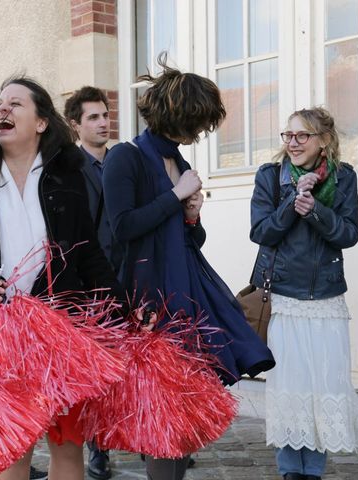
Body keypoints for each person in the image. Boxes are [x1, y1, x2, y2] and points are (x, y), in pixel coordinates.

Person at [0, 76, 133, 480]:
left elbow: (88, 253)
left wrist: (124, 316)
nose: (2, 109)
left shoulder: (66, 177)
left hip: (61, 329)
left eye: (15, 104)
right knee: (12, 451)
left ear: (42, 122)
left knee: (67, 448)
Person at [102, 54, 275, 480]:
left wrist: (192, 214)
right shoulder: (126, 157)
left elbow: (189, 240)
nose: (199, 133)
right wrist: (176, 196)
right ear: (173, 114)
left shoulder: (179, 164)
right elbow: (121, 228)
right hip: (150, 299)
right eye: (195, 123)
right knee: (165, 413)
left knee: (184, 409)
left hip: (188, 289)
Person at [250, 107, 358, 480]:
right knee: (289, 383)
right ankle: (289, 470)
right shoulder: (270, 175)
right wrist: (292, 203)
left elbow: (348, 233)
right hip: (282, 295)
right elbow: (261, 232)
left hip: (326, 297)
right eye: (288, 135)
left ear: (324, 141)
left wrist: (315, 210)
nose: (293, 143)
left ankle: (312, 469)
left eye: (302, 136)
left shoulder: (344, 178)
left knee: (322, 382)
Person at [64, 85, 115, 480]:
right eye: (93, 117)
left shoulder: (122, 161)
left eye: (105, 114)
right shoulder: (69, 167)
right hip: (89, 283)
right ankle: (98, 448)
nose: (103, 122)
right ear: (75, 125)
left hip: (127, 273)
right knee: (95, 369)